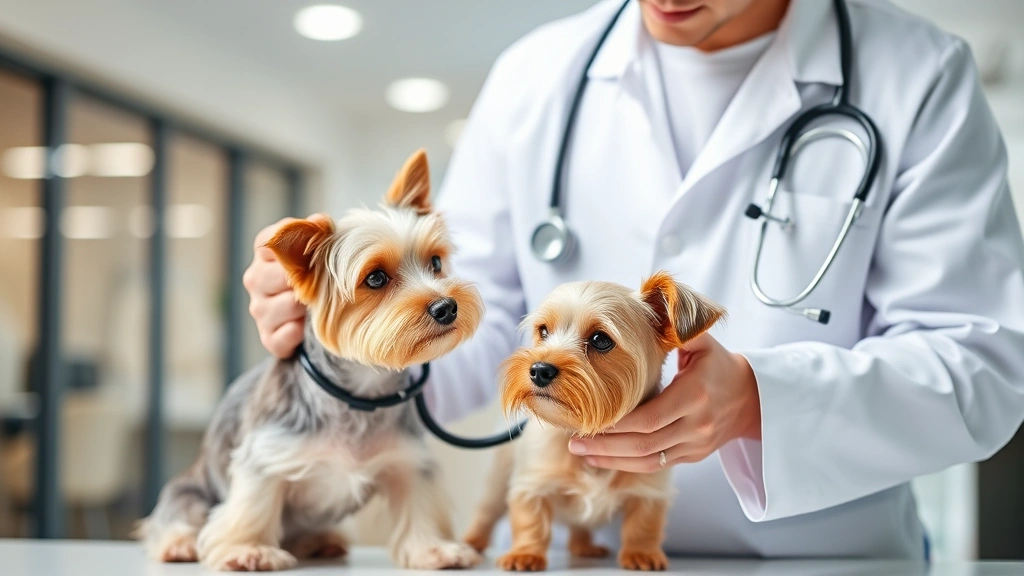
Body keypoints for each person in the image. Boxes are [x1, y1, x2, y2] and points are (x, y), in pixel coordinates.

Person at [243, 0, 1024, 559]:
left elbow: (984, 363)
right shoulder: (535, 75)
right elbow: (467, 324)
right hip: (580, 554)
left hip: (823, 556)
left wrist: (762, 400)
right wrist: (345, 335)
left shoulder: (920, 77)